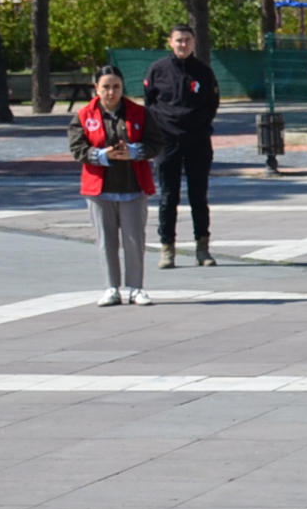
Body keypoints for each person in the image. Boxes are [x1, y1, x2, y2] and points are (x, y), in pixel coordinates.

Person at [70, 66, 155, 307]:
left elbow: (155, 142)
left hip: (133, 186)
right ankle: (111, 287)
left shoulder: (139, 113)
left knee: (134, 240)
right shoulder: (84, 115)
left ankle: (136, 288)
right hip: (99, 188)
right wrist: (102, 155)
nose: (111, 92)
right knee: (106, 240)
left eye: (116, 87)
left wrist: (134, 151)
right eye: (106, 87)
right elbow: (78, 149)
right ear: (96, 88)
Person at [143, 24, 219, 269]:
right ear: (170, 42)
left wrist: (200, 125)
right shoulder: (158, 70)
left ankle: (202, 248)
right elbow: (149, 103)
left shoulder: (204, 72)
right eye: (179, 40)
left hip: (197, 141)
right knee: (168, 197)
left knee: (198, 196)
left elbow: (212, 104)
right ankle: (167, 249)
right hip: (167, 142)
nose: (183, 44)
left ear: (194, 42)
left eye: (187, 40)